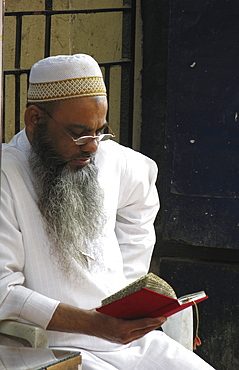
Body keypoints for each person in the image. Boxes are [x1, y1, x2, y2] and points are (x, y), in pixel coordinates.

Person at [0, 54, 214, 369]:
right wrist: (95, 324)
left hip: (125, 338)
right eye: (79, 133)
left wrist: (124, 302)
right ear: (35, 120)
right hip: (44, 346)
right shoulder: (7, 173)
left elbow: (141, 200)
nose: (93, 146)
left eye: (100, 130)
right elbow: (3, 292)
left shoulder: (109, 158)